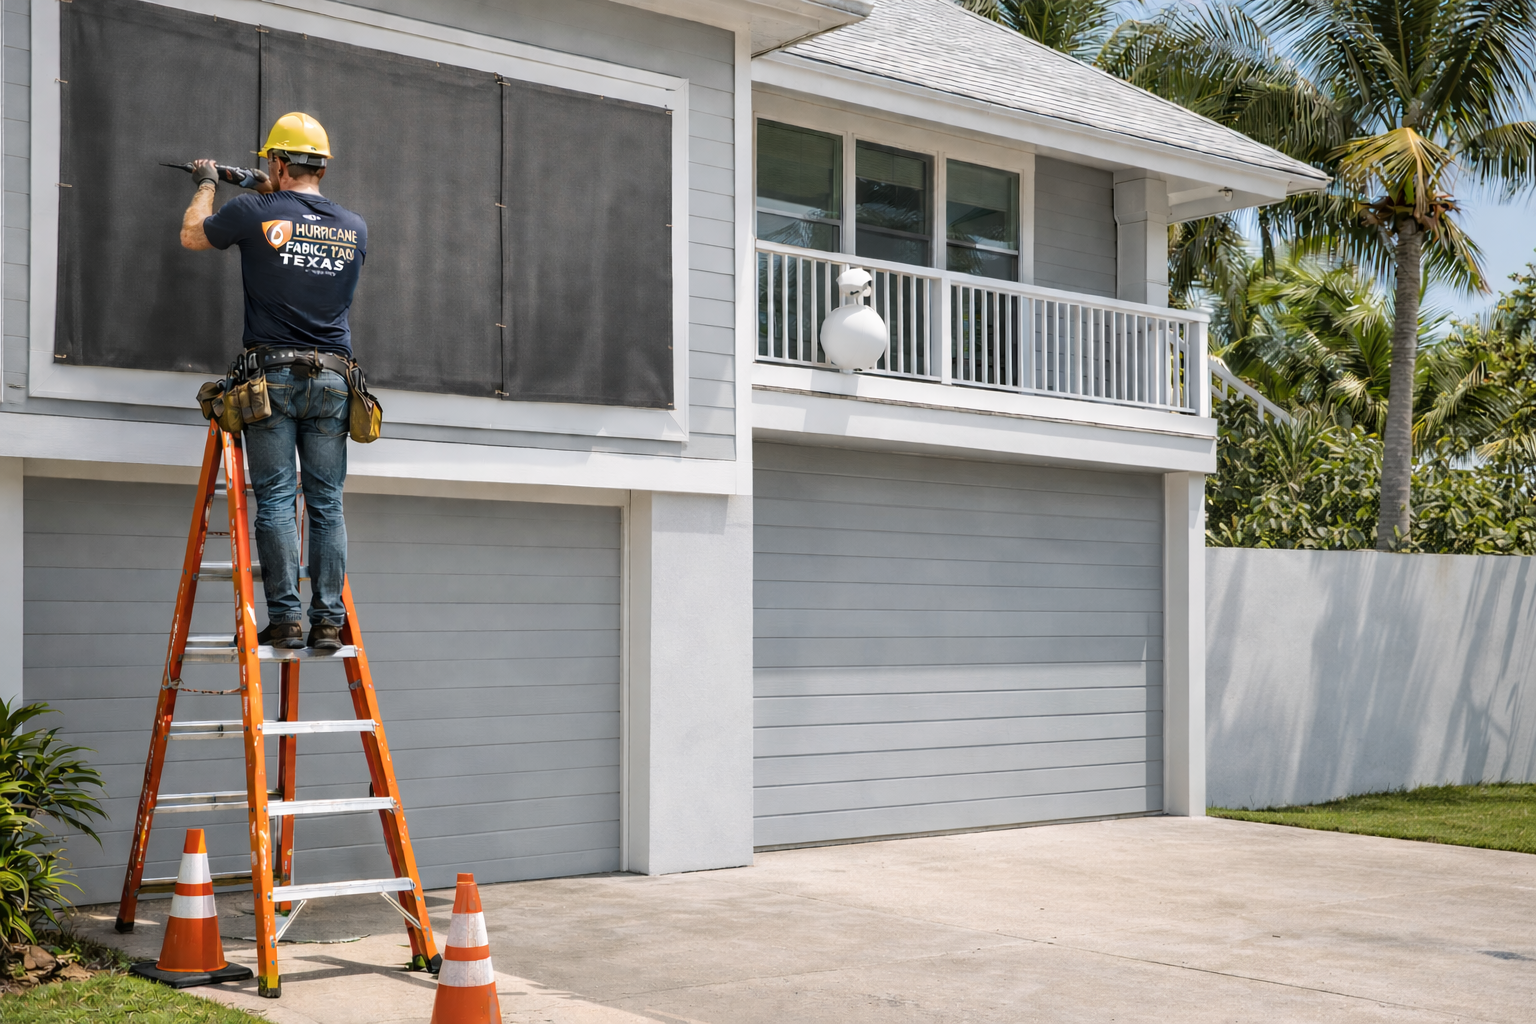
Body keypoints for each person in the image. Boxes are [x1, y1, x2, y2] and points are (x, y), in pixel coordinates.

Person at [179, 112, 367, 651]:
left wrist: (210, 181)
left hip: (272, 379)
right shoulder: (354, 226)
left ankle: (285, 619)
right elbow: (298, 218)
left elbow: (195, 235)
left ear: (278, 161)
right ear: (323, 167)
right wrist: (269, 186)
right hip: (334, 379)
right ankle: (327, 621)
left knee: (279, 497)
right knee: (327, 503)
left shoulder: (252, 210)